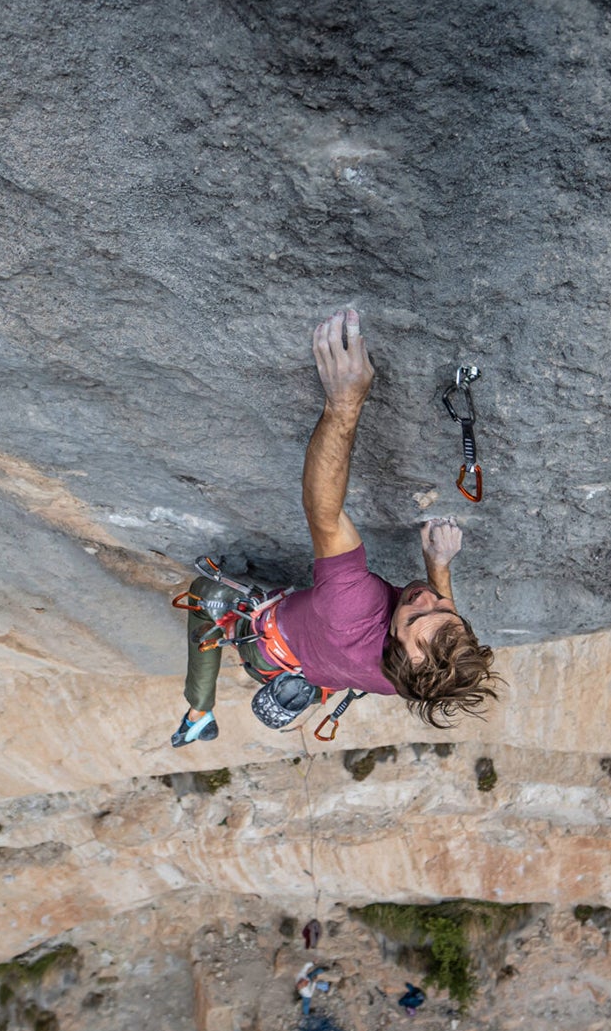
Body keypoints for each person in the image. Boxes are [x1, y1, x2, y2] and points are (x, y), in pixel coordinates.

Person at [172, 307, 499, 746]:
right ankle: (201, 715)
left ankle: (198, 712)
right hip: (322, 672)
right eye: (445, 611)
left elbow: (323, 513)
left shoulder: (354, 609)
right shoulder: (419, 678)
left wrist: (344, 405)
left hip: (270, 648)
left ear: (397, 648)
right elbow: (434, 626)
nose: (428, 598)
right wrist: (438, 564)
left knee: (206, 593)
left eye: (415, 614)